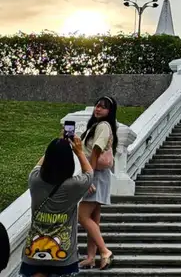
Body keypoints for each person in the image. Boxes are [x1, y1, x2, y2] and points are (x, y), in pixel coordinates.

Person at [20, 135, 93, 277]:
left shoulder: (34, 180)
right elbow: (89, 173)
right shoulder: (74, 185)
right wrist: (79, 151)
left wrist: (55, 146)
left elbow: (39, 166)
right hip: (63, 256)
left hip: (33, 255)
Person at [78, 97, 118, 270]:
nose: (98, 109)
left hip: (96, 175)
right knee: (93, 218)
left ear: (110, 111)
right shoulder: (97, 126)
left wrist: (89, 178)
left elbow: (95, 151)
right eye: (97, 106)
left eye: (103, 107)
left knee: (82, 216)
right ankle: (91, 257)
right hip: (100, 175)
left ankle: (104, 250)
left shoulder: (103, 126)